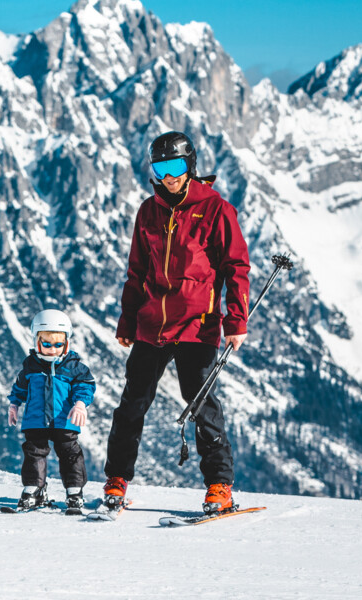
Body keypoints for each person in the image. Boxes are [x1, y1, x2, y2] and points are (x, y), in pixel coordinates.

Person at [102, 131, 251, 515]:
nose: (169, 176)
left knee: (201, 404)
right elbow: (136, 271)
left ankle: (219, 485)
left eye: (176, 166)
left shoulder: (216, 209)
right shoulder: (148, 212)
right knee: (132, 403)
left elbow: (236, 267)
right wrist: (127, 320)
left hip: (197, 325)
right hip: (152, 323)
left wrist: (236, 320)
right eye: (161, 167)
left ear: (190, 167)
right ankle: (117, 479)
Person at [7, 310, 97, 511]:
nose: (52, 349)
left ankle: (74, 491)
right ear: (37, 342)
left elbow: (86, 385)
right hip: (36, 419)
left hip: (64, 419)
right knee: (34, 452)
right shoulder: (31, 366)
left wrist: (81, 403)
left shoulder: (73, 367)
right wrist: (14, 403)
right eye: (47, 344)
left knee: (70, 453)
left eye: (58, 344)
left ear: (66, 343)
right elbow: (20, 387)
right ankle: (33, 489)